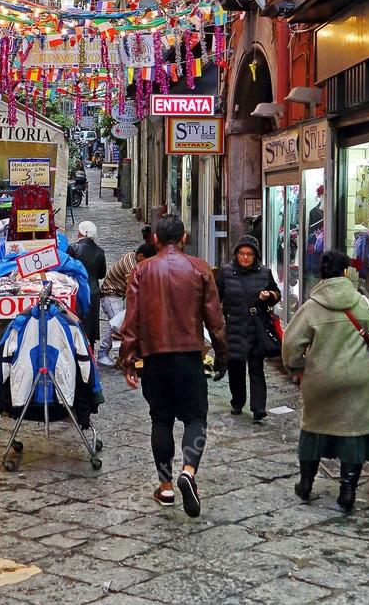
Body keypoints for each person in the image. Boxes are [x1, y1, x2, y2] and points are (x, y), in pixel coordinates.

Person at [120, 214, 227, 518]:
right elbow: (215, 320)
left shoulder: (141, 271)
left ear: (154, 239)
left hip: (155, 358)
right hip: (189, 356)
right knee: (196, 418)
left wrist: (128, 359)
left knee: (161, 419)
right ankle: (189, 471)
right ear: (184, 238)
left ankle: (166, 486)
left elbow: (131, 320)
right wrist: (222, 354)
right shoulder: (199, 269)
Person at [282, 249, 369, 512]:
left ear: (321, 273)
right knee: (353, 432)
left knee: (313, 428)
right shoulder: (363, 303)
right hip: (358, 380)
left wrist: (297, 367)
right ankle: (347, 491)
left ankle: (306, 484)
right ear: (345, 272)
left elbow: (290, 344)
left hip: (320, 380)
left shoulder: (311, 307)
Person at [215, 235, 281, 423]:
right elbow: (215, 297)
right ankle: (237, 402)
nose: (245, 257)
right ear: (236, 254)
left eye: (249, 254)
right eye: (242, 253)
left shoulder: (264, 273)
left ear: (255, 255)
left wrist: (269, 295)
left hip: (256, 327)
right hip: (234, 327)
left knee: (256, 367)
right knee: (235, 367)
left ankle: (258, 407)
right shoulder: (226, 272)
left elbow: (277, 294)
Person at [97, 243, 156, 367]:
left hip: (118, 295)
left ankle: (123, 355)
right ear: (140, 256)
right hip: (111, 295)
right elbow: (132, 290)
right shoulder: (131, 265)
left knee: (119, 323)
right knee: (117, 324)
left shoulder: (134, 259)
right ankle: (103, 353)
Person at [68, 221, 106, 350]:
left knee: (76, 321)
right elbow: (102, 274)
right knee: (91, 324)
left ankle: (77, 350)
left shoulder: (73, 248)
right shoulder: (100, 251)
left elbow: (67, 270)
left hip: (77, 288)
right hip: (93, 290)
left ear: (81, 233)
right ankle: (90, 352)